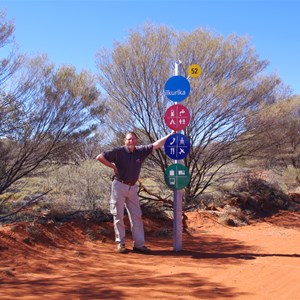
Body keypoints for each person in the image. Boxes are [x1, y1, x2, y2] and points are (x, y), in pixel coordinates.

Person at [96, 130, 174, 254]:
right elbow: (100, 157)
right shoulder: (118, 151)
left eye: (133, 139)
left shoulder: (140, 151)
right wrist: (113, 167)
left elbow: (156, 145)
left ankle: (139, 245)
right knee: (118, 215)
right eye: (128, 139)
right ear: (125, 141)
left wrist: (170, 135)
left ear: (136, 140)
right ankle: (120, 244)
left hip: (133, 188)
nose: (131, 141)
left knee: (137, 216)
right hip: (119, 186)